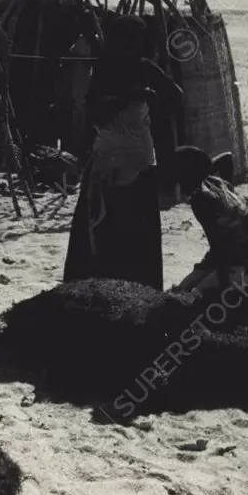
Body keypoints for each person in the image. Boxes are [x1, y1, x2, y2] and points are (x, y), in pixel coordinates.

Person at [63, 15, 182, 289]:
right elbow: (95, 114)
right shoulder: (105, 70)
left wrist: (156, 104)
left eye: (135, 42)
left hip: (137, 161)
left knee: (131, 228)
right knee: (106, 225)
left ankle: (135, 289)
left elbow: (176, 96)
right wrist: (134, 96)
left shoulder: (145, 69)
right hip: (108, 159)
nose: (130, 47)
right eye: (126, 41)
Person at [169, 146, 248, 311]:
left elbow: (218, 248)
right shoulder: (213, 181)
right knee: (185, 287)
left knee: (193, 294)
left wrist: (208, 272)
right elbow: (227, 157)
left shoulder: (201, 201)